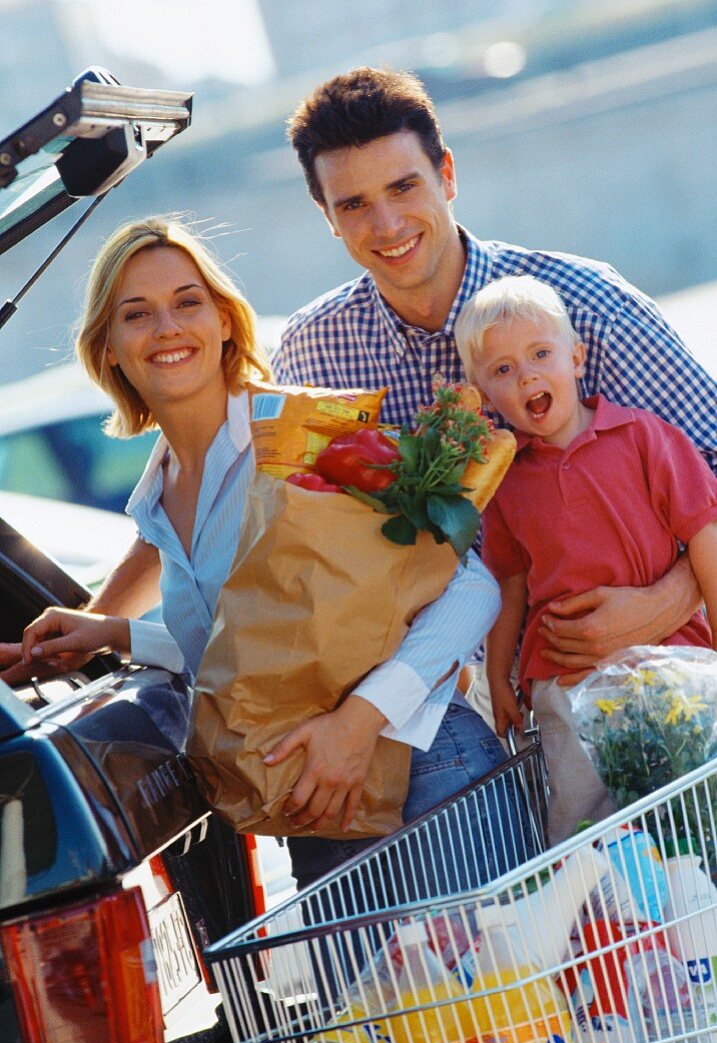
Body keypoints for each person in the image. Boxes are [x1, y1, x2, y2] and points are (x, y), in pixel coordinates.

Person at [2, 214, 521, 892]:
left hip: (424, 774)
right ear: (107, 350)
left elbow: (469, 589)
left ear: (224, 322)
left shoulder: (302, 437)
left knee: (500, 1000)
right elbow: (253, 650)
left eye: (187, 302)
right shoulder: (155, 503)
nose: (167, 328)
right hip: (312, 805)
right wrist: (118, 633)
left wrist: (356, 725)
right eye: (137, 314)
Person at [272, 66, 717, 714]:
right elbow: (313, 546)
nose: (387, 223)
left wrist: (669, 599)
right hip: (432, 700)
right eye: (354, 204)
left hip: (656, 671)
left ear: (446, 174)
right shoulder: (311, 353)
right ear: (327, 217)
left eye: (403, 186)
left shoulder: (585, 306)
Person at [454, 273, 717, 841]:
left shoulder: (645, 437)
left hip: (671, 666)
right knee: (583, 829)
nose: (526, 375)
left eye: (540, 354)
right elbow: (508, 582)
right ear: (484, 393)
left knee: (695, 817)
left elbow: (705, 538)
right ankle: (615, 922)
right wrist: (498, 677)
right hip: (563, 683)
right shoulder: (505, 481)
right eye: (502, 370)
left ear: (576, 358)